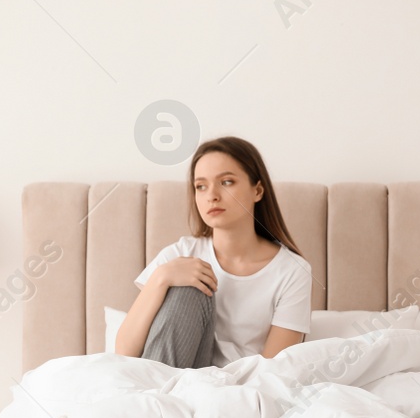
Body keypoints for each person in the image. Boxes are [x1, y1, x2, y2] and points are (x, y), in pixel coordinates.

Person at [115, 136, 312, 367]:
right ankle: (162, 399)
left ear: (257, 191)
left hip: (241, 389)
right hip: (174, 380)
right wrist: (161, 277)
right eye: (201, 186)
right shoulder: (180, 254)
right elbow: (124, 353)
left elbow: (274, 372)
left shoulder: (292, 271)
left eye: (226, 182)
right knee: (188, 282)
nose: (212, 195)